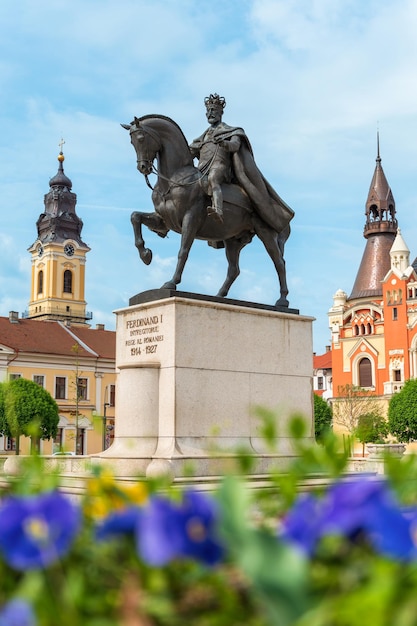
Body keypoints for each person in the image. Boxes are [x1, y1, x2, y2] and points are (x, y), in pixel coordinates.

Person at [189, 94, 294, 232]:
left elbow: (235, 145)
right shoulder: (202, 138)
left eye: (213, 110)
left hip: (220, 168)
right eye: (208, 111)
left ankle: (218, 210)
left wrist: (224, 143)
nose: (210, 114)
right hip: (201, 170)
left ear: (221, 112)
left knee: (213, 178)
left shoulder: (232, 131)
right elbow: (189, 152)